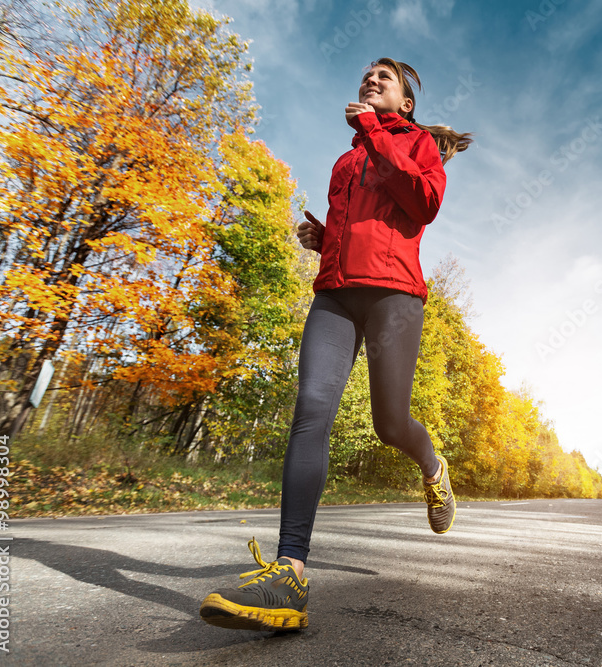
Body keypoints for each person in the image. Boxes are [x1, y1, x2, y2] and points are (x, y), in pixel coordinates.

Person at [199, 58, 473, 632]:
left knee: (389, 423)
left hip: (395, 295)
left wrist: (376, 132)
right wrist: (324, 239)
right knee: (311, 413)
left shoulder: (417, 144)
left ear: (405, 103)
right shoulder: (346, 160)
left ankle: (431, 462)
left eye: (385, 78)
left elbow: (422, 204)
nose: (371, 80)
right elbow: (363, 227)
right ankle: (290, 573)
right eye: (366, 75)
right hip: (334, 294)